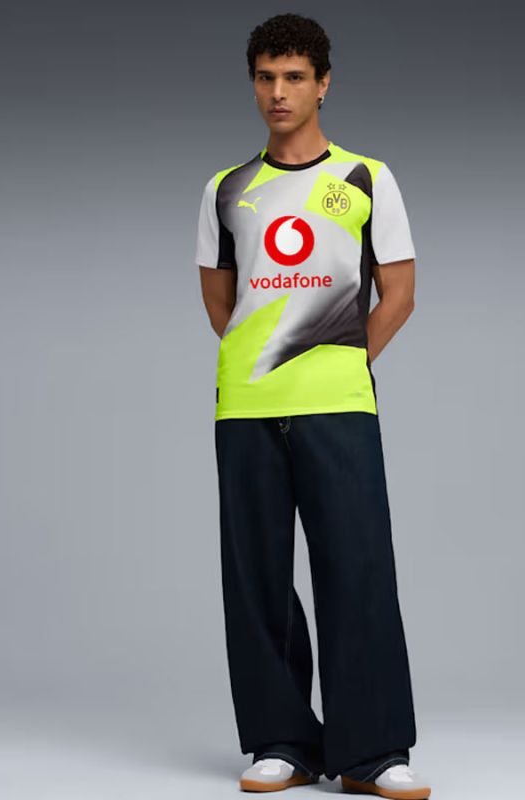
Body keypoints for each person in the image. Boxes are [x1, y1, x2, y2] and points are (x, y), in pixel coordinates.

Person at [195, 13, 431, 799]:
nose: (279, 92)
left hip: (339, 404)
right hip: (246, 409)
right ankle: (282, 743)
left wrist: (341, 361)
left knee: (357, 569)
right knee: (256, 577)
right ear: (252, 84)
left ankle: (374, 752)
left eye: (294, 77)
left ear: (323, 83)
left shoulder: (367, 178)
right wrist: (264, 367)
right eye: (266, 77)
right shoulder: (226, 189)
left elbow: (399, 294)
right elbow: (221, 303)